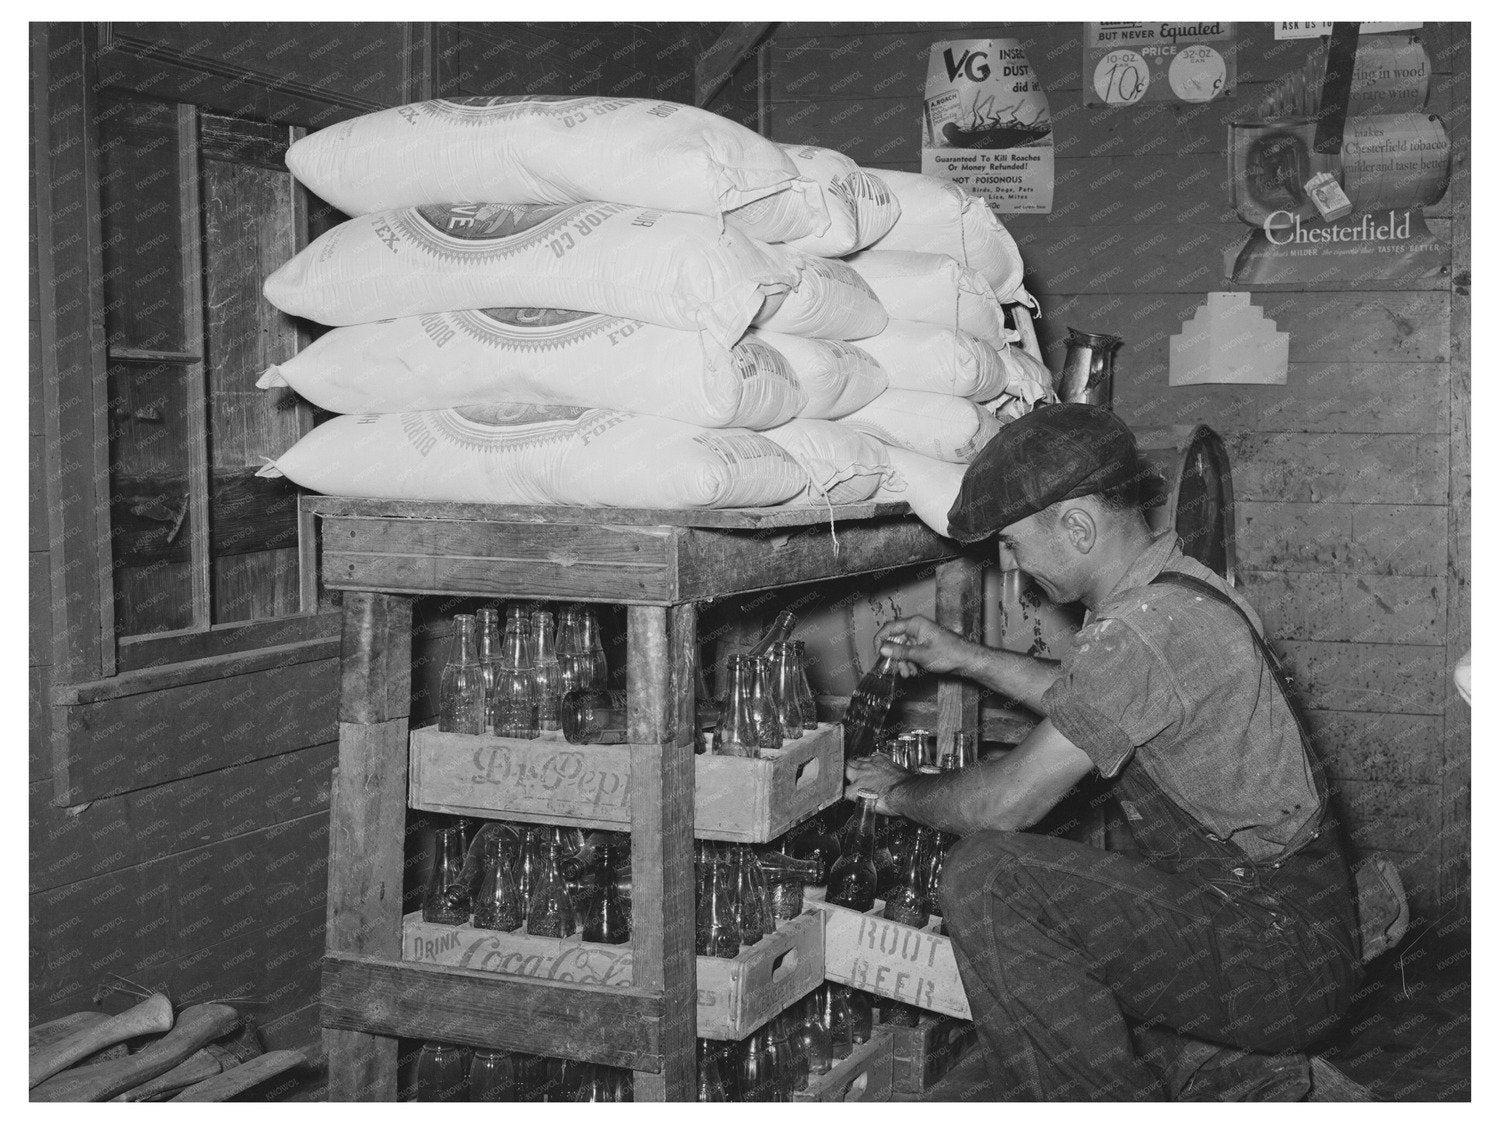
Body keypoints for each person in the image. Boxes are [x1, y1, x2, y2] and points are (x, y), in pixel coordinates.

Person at [845, 403, 1362, 1101]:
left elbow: (1007, 803)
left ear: (1079, 526)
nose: (1016, 569)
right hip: (1288, 928)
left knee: (990, 879)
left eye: (1016, 545)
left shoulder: (1141, 631)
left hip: (1277, 954)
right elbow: (1096, 702)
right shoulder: (1174, 589)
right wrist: (964, 656)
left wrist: (902, 791)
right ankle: (1240, 1075)